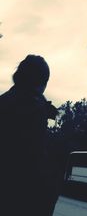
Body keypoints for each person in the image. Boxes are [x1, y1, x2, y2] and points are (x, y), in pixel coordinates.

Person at [0, 55, 58, 216]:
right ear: (41, 83)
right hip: (24, 193)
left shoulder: (4, 101)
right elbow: (36, 155)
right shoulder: (35, 108)